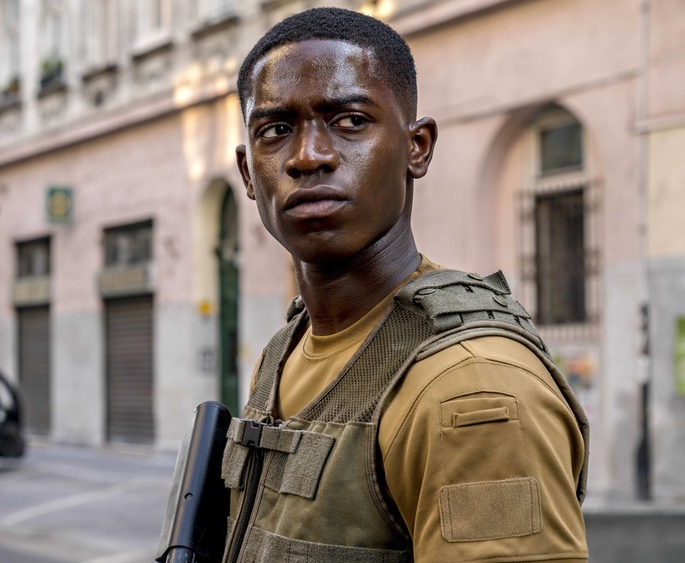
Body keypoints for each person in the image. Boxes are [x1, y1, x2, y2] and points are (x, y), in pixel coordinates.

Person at [220, 7, 589, 563]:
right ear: (250, 174)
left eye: (349, 121)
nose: (308, 156)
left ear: (417, 147)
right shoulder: (283, 352)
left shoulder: (473, 386)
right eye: (276, 130)